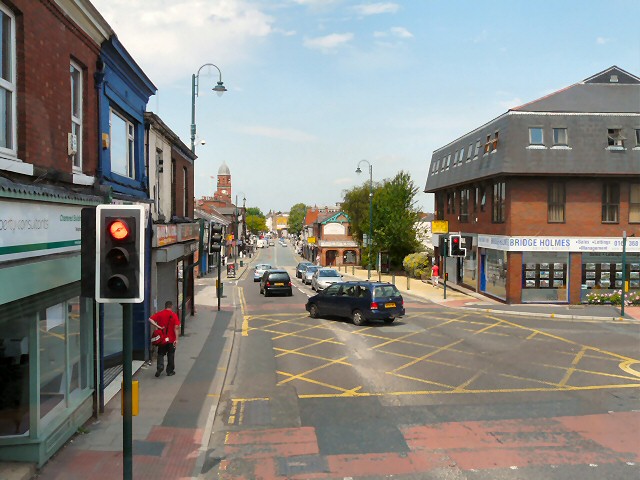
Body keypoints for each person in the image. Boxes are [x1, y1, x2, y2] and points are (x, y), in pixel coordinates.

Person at [149, 301, 180, 377]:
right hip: (171, 340)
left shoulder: (160, 313)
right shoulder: (174, 315)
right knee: (171, 355)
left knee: (160, 354)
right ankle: (170, 371)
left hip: (162, 339)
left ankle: (160, 367)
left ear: (165, 306)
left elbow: (150, 319)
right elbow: (176, 328)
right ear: (171, 306)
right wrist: (177, 339)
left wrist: (158, 326)